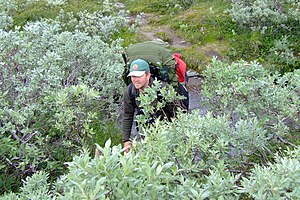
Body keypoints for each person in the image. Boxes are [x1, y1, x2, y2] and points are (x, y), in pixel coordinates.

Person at [122, 59, 178, 153]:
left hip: (166, 130)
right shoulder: (130, 91)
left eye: (139, 76)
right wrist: (126, 140)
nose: (135, 80)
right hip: (145, 130)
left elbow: (176, 112)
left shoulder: (163, 89)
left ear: (148, 75)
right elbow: (127, 115)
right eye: (133, 76)